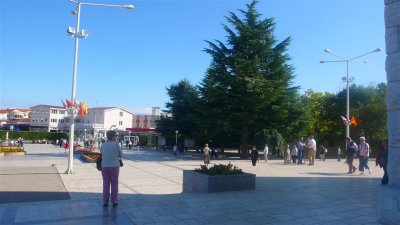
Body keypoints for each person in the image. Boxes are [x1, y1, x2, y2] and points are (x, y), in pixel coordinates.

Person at [100, 130, 123, 207]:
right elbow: (121, 155)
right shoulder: (116, 145)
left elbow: (101, 153)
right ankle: (114, 201)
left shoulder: (103, 145)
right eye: (116, 136)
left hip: (104, 166)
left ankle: (105, 202)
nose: (116, 137)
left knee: (105, 184)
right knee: (114, 184)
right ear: (113, 136)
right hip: (114, 166)